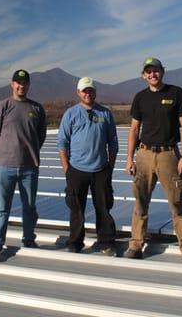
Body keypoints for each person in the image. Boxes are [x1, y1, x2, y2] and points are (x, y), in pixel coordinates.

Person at [124, 57, 182, 264]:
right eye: (148, 71)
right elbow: (134, 129)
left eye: (155, 70)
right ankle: (136, 244)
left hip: (169, 156)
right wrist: (129, 158)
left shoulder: (176, 93)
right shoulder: (140, 97)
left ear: (162, 72)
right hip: (145, 155)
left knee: (177, 201)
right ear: (143, 75)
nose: (152, 74)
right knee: (140, 201)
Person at [0, 69, 47, 263]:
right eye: (18, 82)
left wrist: (29, 151)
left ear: (29, 85)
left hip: (29, 166)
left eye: (25, 83)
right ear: (12, 84)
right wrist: (6, 150)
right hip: (6, 166)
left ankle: (28, 240)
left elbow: (41, 135)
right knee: (2, 207)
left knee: (29, 207)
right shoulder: (2, 107)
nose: (22, 86)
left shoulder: (36, 109)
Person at [58, 77, 119, 256]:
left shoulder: (105, 114)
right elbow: (62, 143)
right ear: (78, 93)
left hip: (100, 170)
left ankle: (106, 242)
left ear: (95, 92)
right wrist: (67, 170)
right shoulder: (71, 114)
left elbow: (113, 144)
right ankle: (75, 242)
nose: (88, 93)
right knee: (76, 209)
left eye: (90, 90)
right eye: (84, 90)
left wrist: (110, 168)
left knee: (103, 208)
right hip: (76, 170)